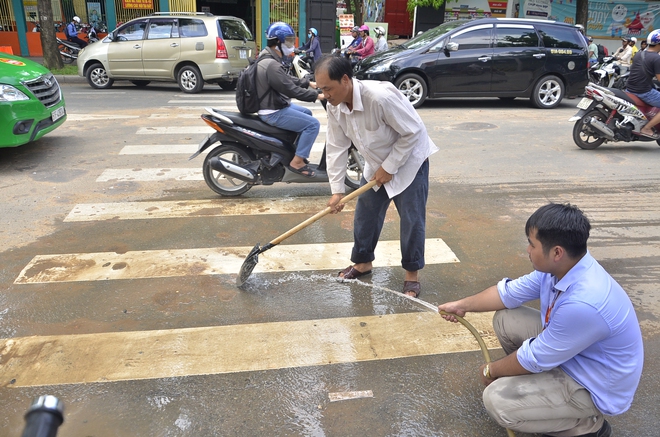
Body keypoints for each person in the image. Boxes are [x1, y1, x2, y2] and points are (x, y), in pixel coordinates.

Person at [438, 203, 643, 437]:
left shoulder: (585, 302)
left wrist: (491, 371)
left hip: (594, 383)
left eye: (531, 244)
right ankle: (545, 397)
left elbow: (533, 357)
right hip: (574, 353)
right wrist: (461, 306)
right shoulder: (561, 268)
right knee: (507, 318)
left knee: (497, 400)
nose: (527, 249)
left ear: (557, 252)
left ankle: (585, 425)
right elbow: (507, 294)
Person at [315, 55, 438, 297]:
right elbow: (337, 146)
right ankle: (362, 263)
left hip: (410, 161)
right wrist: (337, 191)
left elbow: (412, 131)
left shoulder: (379, 97)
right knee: (366, 213)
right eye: (321, 89)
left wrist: (391, 166)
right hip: (376, 165)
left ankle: (412, 274)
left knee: (412, 220)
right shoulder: (334, 107)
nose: (325, 95)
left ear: (345, 80)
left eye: (328, 88)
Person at [255, 22, 325, 177]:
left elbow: (286, 79)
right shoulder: (271, 64)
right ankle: (297, 161)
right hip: (272, 111)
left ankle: (294, 151)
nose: (291, 45)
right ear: (278, 43)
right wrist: (317, 95)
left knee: (307, 113)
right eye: (287, 41)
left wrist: (308, 83)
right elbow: (290, 89)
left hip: (274, 104)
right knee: (313, 125)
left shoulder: (268, 58)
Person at [626, 29, 660, 139]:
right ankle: (647, 128)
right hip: (643, 91)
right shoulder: (656, 58)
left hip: (630, 89)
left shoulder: (639, 54)